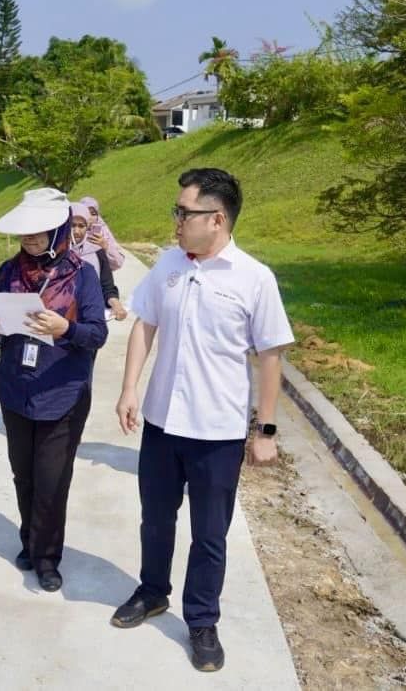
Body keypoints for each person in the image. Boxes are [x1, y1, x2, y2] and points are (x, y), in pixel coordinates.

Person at [110, 168, 294, 673]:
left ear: (216, 219)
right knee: (155, 517)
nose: (175, 221)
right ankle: (152, 592)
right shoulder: (169, 264)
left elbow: (271, 357)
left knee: (210, 533)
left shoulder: (254, 279)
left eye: (183, 213)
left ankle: (202, 621)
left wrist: (266, 431)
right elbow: (145, 325)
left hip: (217, 432)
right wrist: (129, 389)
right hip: (162, 423)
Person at [0, 188, 109, 592]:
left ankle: (48, 558)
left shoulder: (82, 274)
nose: (29, 240)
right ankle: (30, 542)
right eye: (24, 233)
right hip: (16, 389)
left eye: (38, 231)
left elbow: (97, 334)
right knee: (23, 475)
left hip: (63, 392)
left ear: (59, 228)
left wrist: (65, 328)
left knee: (51, 479)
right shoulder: (9, 271)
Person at [69, 202, 128, 322]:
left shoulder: (97, 251)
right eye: (72, 225)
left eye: (81, 226)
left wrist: (116, 305)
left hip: (91, 317)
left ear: (88, 227)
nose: (76, 231)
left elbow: (107, 287)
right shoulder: (56, 252)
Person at [78, 195, 125, 271]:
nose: (90, 217)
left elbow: (118, 263)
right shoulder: (73, 231)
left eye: (93, 214)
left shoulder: (103, 232)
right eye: (86, 212)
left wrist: (105, 246)